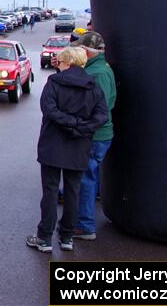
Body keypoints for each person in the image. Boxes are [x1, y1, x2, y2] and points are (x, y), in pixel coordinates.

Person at [27, 47, 107, 253]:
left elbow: (49, 109)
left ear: (67, 62)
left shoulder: (54, 83)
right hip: (79, 144)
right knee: (73, 191)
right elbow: (101, 117)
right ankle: (67, 236)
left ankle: (44, 237)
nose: (57, 64)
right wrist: (80, 126)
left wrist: (69, 123)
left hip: (53, 143)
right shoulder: (93, 87)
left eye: (60, 61)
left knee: (50, 191)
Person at [71, 31, 116, 241]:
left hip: (95, 135)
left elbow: (101, 108)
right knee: (90, 176)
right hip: (98, 133)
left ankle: (85, 226)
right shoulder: (99, 68)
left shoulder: (97, 74)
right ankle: (83, 221)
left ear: (87, 51)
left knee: (86, 178)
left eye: (80, 48)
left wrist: (79, 126)